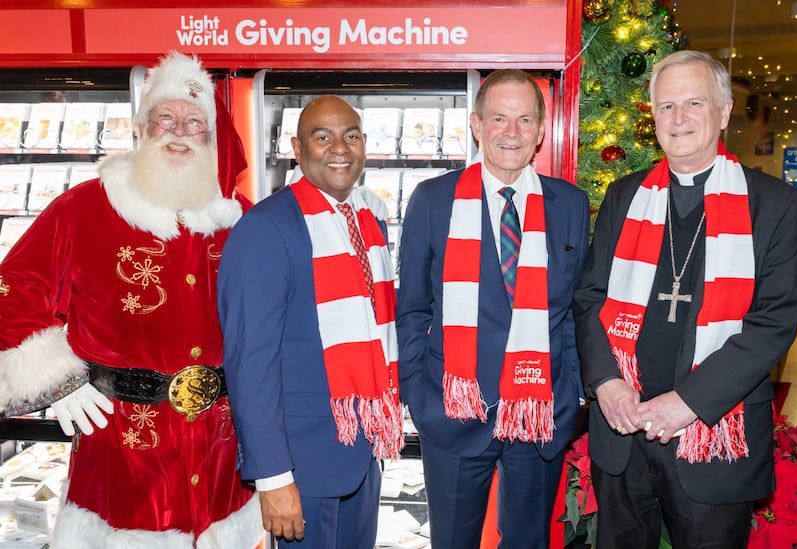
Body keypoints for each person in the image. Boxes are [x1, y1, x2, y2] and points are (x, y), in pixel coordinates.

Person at [0, 52, 263, 548]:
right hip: (122, 447)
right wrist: (58, 379)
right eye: (166, 117)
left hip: (221, 450)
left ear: (213, 137)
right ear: (141, 128)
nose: (179, 131)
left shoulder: (241, 220)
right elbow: (13, 289)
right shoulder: (83, 208)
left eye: (195, 122)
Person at [573, 50, 797, 548]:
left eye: (694, 102)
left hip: (713, 441)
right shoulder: (624, 195)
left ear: (723, 112)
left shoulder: (776, 205)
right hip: (624, 433)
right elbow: (590, 298)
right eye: (666, 106)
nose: (679, 118)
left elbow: (773, 324)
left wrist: (688, 403)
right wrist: (606, 382)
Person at [396, 69, 590, 548]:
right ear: (477, 125)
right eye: (499, 118)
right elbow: (413, 309)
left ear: (541, 131)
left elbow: (574, 310)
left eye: (525, 120)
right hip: (453, 413)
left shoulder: (570, 204)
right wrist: (420, 397)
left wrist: (571, 393)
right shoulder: (433, 200)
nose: (512, 132)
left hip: (540, 412)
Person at [218, 94, 404, 548]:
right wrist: (273, 477)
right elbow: (250, 363)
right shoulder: (266, 228)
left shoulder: (366, 219)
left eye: (351, 136)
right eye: (323, 137)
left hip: (362, 456)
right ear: (297, 150)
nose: (340, 148)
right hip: (302, 469)